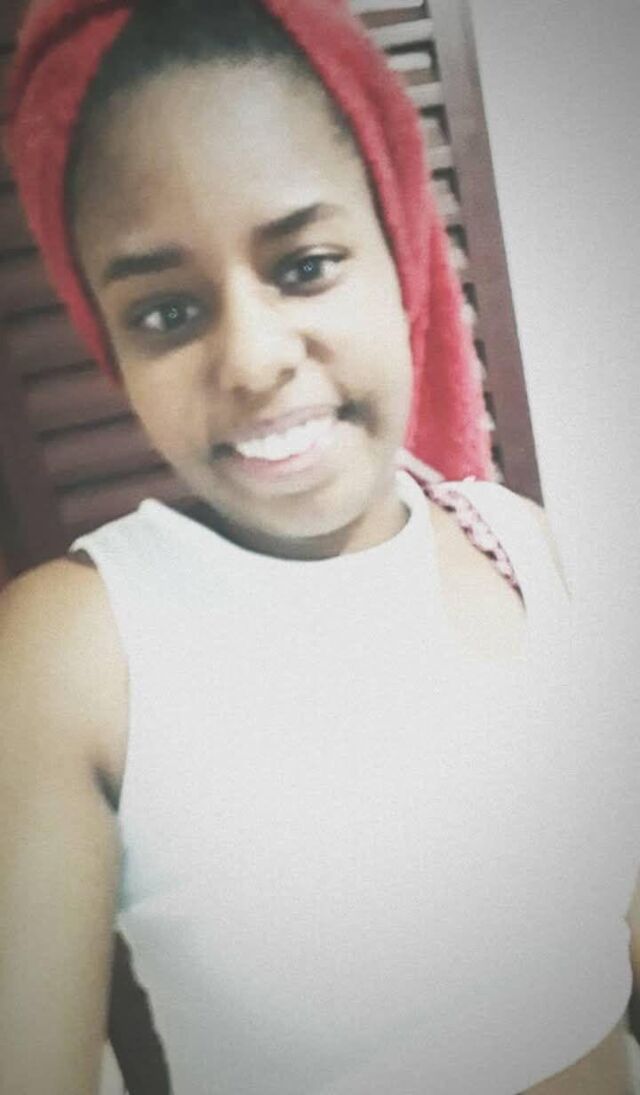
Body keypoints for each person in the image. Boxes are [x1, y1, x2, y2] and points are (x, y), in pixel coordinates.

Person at [1, 1, 639, 1092]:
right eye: (166, 313)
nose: (253, 359)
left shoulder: (520, 549)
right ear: (112, 349)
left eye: (304, 265)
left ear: (401, 252)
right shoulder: (75, 652)